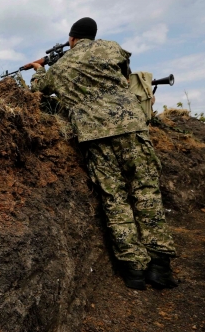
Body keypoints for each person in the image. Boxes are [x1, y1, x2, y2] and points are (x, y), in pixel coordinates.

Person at [29, 17, 178, 290]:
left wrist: (39, 69)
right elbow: (124, 75)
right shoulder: (112, 48)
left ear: (72, 39)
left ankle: (133, 269)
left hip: (95, 136)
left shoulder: (61, 65)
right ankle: (160, 266)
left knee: (115, 198)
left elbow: (38, 90)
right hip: (132, 128)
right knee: (146, 191)